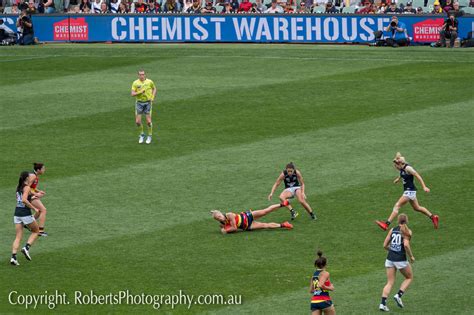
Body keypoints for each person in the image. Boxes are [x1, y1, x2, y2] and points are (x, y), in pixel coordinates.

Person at [376, 152, 439, 231]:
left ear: (400, 164)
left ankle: (386, 224)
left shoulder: (408, 168)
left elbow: (418, 176)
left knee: (397, 206)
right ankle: (433, 217)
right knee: (417, 208)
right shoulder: (402, 168)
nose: (395, 167)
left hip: (409, 191)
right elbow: (401, 174)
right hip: (410, 191)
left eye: (396, 165)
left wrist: (424, 186)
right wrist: (398, 179)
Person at [379, 214, 414, 312]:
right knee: (409, 277)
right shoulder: (408, 231)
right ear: (406, 221)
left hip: (390, 259)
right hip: (400, 259)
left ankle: (382, 304)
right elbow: (406, 245)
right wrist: (411, 256)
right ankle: (398, 295)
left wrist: (393, 250)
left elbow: (385, 245)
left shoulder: (392, 230)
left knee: (390, 282)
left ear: (398, 220)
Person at [10, 171, 40, 266]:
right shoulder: (26, 187)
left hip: (17, 213)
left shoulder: (18, 187)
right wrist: (34, 208)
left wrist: (35, 195)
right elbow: (24, 200)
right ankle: (26, 248)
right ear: (27, 178)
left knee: (18, 236)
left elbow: (21, 198)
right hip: (25, 213)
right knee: (36, 231)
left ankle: (13, 257)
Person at [211, 201, 293, 234]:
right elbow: (229, 227)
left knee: (265, 211)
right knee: (265, 225)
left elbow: (234, 228)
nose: (220, 218)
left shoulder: (229, 215)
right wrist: (224, 228)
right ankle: (284, 225)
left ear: (221, 213)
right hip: (247, 226)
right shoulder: (222, 223)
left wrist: (226, 230)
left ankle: (283, 204)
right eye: (217, 219)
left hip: (247, 216)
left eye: (219, 216)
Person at [131, 70, 156, 144]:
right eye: (140, 74)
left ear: (145, 75)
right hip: (139, 103)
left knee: (148, 121)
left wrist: (152, 97)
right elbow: (132, 94)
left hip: (148, 102)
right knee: (137, 122)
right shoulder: (135, 83)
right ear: (138, 75)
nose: (142, 76)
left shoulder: (150, 82)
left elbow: (154, 88)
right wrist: (140, 92)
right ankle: (142, 134)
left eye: (143, 74)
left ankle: (150, 135)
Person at [310, 251, 335, 315]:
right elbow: (320, 285)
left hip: (314, 302)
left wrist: (319, 289)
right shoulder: (325, 273)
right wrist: (330, 288)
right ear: (325, 264)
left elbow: (311, 290)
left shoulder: (314, 275)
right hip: (324, 301)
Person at [28, 163, 48, 237]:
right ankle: (40, 231)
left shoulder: (34, 175)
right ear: (38, 170)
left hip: (29, 195)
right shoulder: (33, 176)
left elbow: (32, 187)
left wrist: (38, 191)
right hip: (28, 196)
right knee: (43, 210)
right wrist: (35, 195)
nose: (44, 170)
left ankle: (28, 224)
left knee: (39, 211)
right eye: (43, 169)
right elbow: (27, 187)